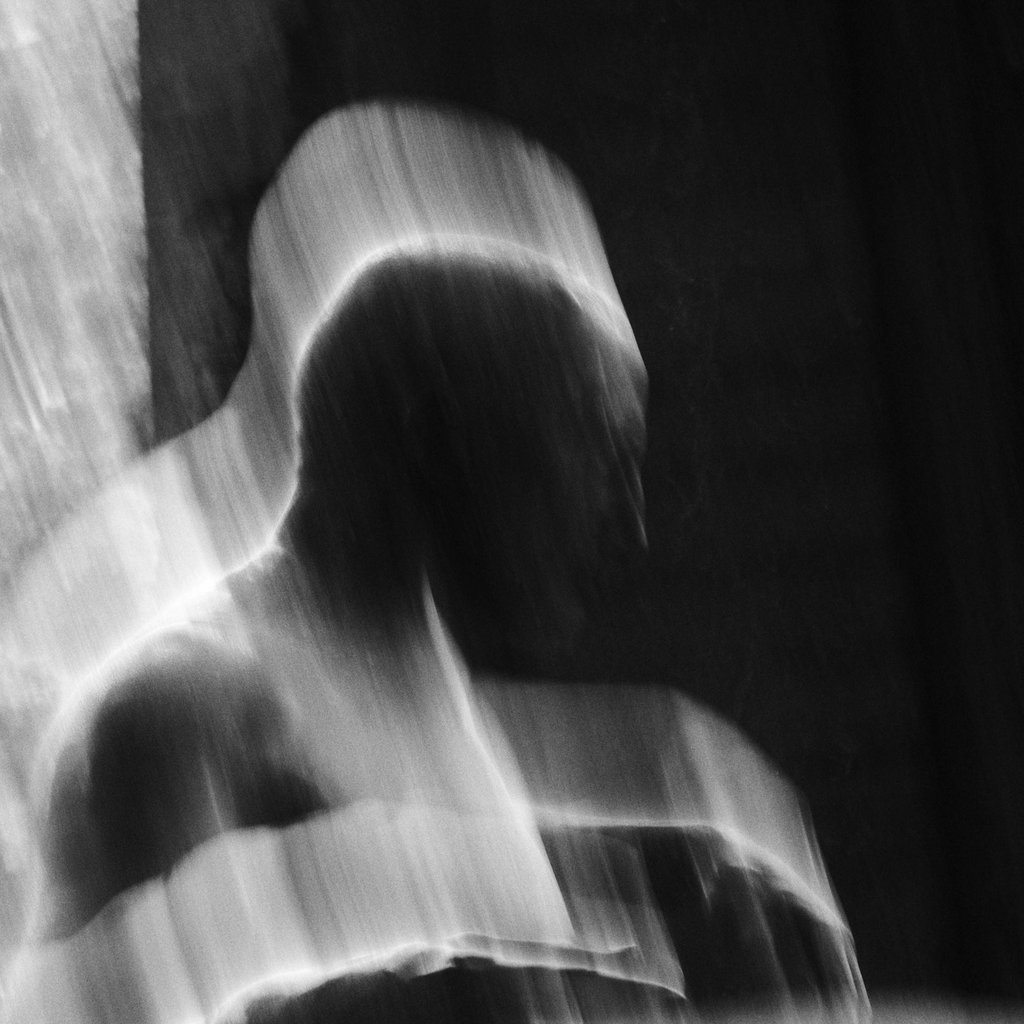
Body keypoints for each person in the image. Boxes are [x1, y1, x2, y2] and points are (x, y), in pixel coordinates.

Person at [6, 104, 866, 1023]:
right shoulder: (184, 708)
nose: (627, 521)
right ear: (444, 425)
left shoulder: (420, 693)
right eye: (592, 451)